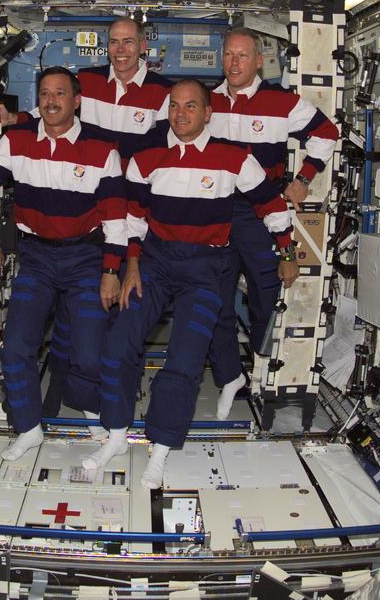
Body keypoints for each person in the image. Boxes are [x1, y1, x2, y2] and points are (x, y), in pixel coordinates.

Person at [83, 80, 298, 487]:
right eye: (175, 106)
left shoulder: (234, 158)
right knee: (119, 340)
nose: (181, 114)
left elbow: (270, 203)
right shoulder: (146, 157)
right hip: (156, 262)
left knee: (184, 360)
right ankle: (114, 436)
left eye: (191, 106)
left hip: (206, 268)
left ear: (207, 112)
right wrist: (131, 267)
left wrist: (286, 254)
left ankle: (160, 449)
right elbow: (133, 218)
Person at [0, 17, 171, 424]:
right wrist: (10, 121)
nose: (120, 49)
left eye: (128, 42)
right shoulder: (85, 82)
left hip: (132, 210)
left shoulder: (161, 93)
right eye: (113, 42)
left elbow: (169, 142)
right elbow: (48, 113)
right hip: (89, 204)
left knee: (116, 314)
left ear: (143, 46)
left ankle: (104, 388)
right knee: (75, 318)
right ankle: (63, 384)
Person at [0, 67, 128, 461]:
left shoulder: (102, 150)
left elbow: (115, 217)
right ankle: (29, 427)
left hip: (85, 258)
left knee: (89, 354)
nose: (51, 101)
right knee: (17, 347)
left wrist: (110, 271)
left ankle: (86, 400)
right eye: (44, 94)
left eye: (60, 94)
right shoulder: (16, 141)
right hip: (36, 258)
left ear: (77, 101)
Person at [206, 28, 339, 419]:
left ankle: (264, 372)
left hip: (262, 212)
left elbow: (326, 133)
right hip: (215, 211)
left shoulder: (280, 102)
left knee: (267, 296)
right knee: (214, 298)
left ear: (258, 60)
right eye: (228, 54)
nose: (234, 63)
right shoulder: (208, 102)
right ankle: (230, 376)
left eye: (242, 55)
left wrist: (303, 179)